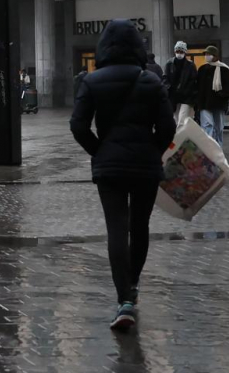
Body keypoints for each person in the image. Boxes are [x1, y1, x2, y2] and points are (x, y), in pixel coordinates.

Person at [70, 19, 176, 332]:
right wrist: (153, 151)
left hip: (110, 167)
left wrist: (98, 151)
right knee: (139, 226)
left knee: (116, 228)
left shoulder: (91, 81)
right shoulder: (151, 81)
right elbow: (168, 127)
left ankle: (124, 300)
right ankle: (134, 284)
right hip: (145, 165)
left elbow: (78, 125)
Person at [196, 46, 229, 147]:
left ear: (215, 56)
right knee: (207, 125)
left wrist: (222, 95)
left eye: (209, 54)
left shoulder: (223, 69)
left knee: (218, 127)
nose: (206, 56)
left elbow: (228, 86)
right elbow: (198, 86)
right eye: (205, 54)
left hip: (218, 103)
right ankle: (209, 149)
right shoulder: (202, 69)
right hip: (204, 103)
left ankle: (218, 148)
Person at [163, 41, 198, 125]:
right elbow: (165, 77)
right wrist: (168, 87)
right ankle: (178, 137)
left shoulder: (190, 65)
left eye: (181, 52)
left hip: (186, 97)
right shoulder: (169, 63)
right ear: (175, 51)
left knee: (182, 119)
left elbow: (193, 79)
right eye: (177, 51)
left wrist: (188, 91)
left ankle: (180, 137)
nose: (179, 53)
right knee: (175, 119)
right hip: (173, 96)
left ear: (185, 52)